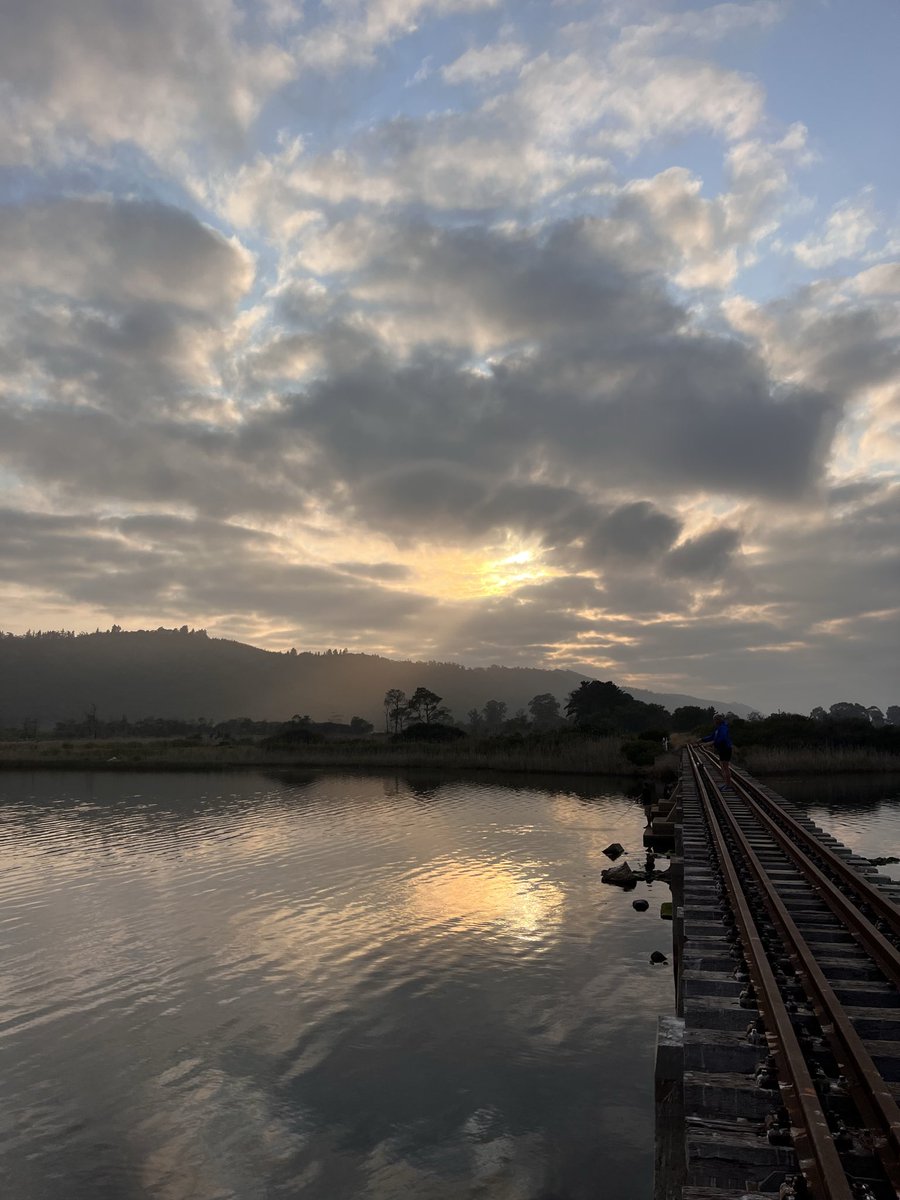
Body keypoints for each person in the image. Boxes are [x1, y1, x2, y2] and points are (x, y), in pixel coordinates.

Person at [698, 713, 733, 788]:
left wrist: (713, 742)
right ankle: (727, 783)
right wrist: (702, 739)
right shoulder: (719, 728)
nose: (714, 721)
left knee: (725, 767)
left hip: (726, 749)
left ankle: (728, 785)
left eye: (715, 720)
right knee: (723, 766)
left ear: (718, 720)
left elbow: (722, 738)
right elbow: (712, 736)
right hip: (722, 749)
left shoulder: (723, 727)